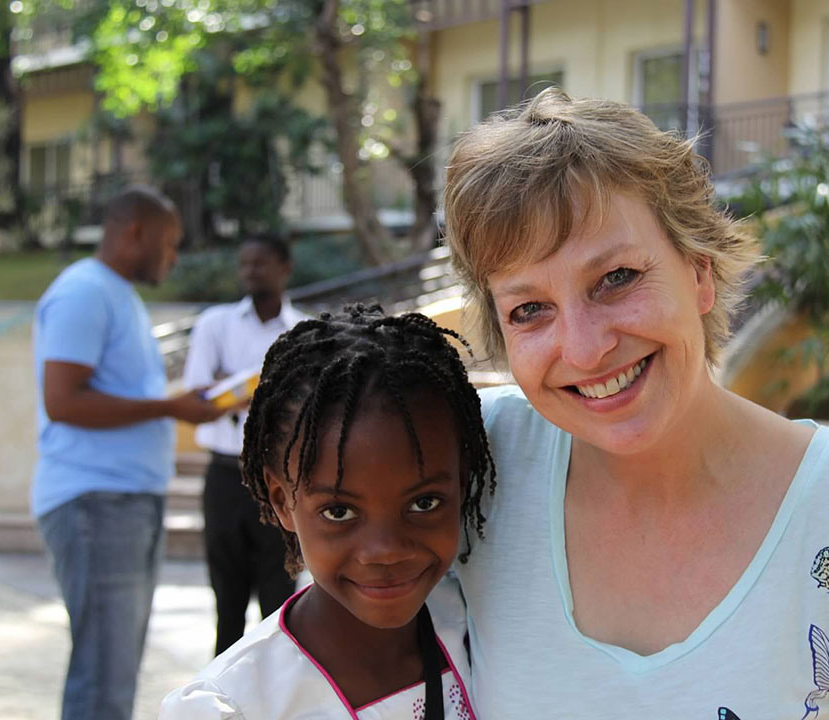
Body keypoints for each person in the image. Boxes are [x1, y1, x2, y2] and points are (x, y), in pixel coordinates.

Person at [441, 89, 829, 719]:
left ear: (699, 272)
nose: (586, 351)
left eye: (616, 278)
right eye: (529, 309)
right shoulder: (468, 470)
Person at [159, 304, 495, 719]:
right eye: (339, 512)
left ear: (462, 484)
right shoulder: (236, 705)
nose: (385, 551)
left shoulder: (481, 631)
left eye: (423, 503)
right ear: (282, 500)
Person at [33, 186, 226, 720]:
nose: (174, 256)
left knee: (114, 670)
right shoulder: (83, 292)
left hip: (124, 498)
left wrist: (177, 405)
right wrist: (170, 410)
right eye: (170, 243)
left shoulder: (116, 294)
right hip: (96, 500)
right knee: (103, 674)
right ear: (135, 231)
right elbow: (63, 401)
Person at [182, 233, 304, 655]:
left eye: (261, 262)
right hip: (224, 474)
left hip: (278, 478)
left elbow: (305, 403)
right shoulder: (215, 324)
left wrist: (232, 390)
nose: (250, 271)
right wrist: (262, 392)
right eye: (245, 263)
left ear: (284, 267)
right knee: (227, 599)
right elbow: (200, 398)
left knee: (280, 601)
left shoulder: (302, 331)